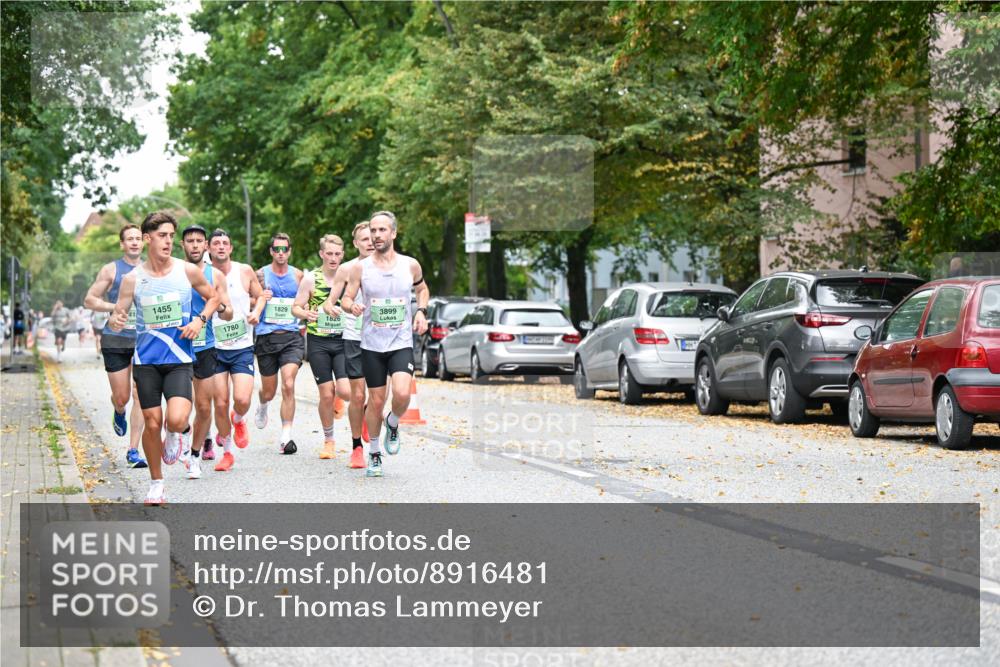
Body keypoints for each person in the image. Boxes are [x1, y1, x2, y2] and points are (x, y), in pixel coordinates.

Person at [109, 211, 221, 505]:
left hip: (180, 358)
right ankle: (157, 484)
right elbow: (118, 314)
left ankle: (175, 435)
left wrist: (200, 320)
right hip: (146, 361)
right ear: (147, 239)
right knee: (151, 421)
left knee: (177, 418)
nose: (169, 241)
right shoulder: (133, 279)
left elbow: (214, 297)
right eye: (162, 235)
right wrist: (115, 321)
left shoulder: (187, 271)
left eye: (172, 235)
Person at [338, 211, 429, 477]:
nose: (376, 235)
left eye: (381, 230)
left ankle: (393, 421)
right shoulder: (360, 268)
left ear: (393, 233)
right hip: (371, 345)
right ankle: (374, 453)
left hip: (400, 342)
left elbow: (422, 289)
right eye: (373, 231)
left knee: (401, 394)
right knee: (376, 401)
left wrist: (421, 310)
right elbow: (346, 298)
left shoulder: (410, 265)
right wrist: (351, 305)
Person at [83, 224, 147, 468]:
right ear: (122, 244)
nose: (133, 242)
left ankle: (133, 450)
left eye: (138, 239)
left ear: (143, 242)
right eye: (129, 239)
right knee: (121, 397)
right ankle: (118, 411)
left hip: (144, 340)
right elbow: (89, 299)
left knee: (139, 394)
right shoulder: (111, 269)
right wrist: (115, 308)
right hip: (116, 338)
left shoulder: (152, 269)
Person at [208, 229, 267, 471]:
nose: (221, 246)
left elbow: (261, 295)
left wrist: (256, 312)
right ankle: (228, 452)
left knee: (241, 399)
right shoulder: (203, 274)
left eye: (225, 243)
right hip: (215, 348)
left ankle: (239, 418)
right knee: (220, 403)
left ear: (231, 248)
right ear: (209, 249)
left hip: (242, 347)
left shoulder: (243, 271)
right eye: (216, 243)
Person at [180, 224, 233, 480]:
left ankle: (194, 455)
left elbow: (229, 311)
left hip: (206, 346)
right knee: (178, 410)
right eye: (189, 240)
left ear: (205, 246)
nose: (194, 245)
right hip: (177, 346)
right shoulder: (174, 272)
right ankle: (177, 433)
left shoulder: (216, 275)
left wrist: (220, 307)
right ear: (183, 245)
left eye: (199, 241)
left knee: (203, 406)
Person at [293, 234, 351, 459]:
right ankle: (329, 440)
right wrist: (304, 313)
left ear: (343, 255)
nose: (333, 258)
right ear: (322, 254)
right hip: (318, 342)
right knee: (326, 395)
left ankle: (339, 397)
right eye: (329, 253)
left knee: (345, 391)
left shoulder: (348, 278)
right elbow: (295, 307)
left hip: (343, 340)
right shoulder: (311, 279)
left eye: (337, 254)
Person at [324, 221, 375, 468]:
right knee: (357, 394)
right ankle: (357, 448)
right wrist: (337, 307)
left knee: (377, 396)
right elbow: (330, 301)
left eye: (371, 237)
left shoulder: (389, 267)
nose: (369, 242)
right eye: (363, 239)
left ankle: (368, 415)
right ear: (355, 243)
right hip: (354, 338)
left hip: (382, 340)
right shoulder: (346, 269)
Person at [253, 232, 305, 454]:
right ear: (271, 251)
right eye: (277, 250)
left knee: (289, 384)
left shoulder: (298, 276)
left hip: (292, 337)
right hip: (266, 338)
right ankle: (263, 404)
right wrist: (259, 299)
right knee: (269, 390)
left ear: (290, 250)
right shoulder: (260, 275)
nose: (281, 253)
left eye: (285, 249)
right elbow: (249, 301)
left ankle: (285, 436)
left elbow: (307, 299)